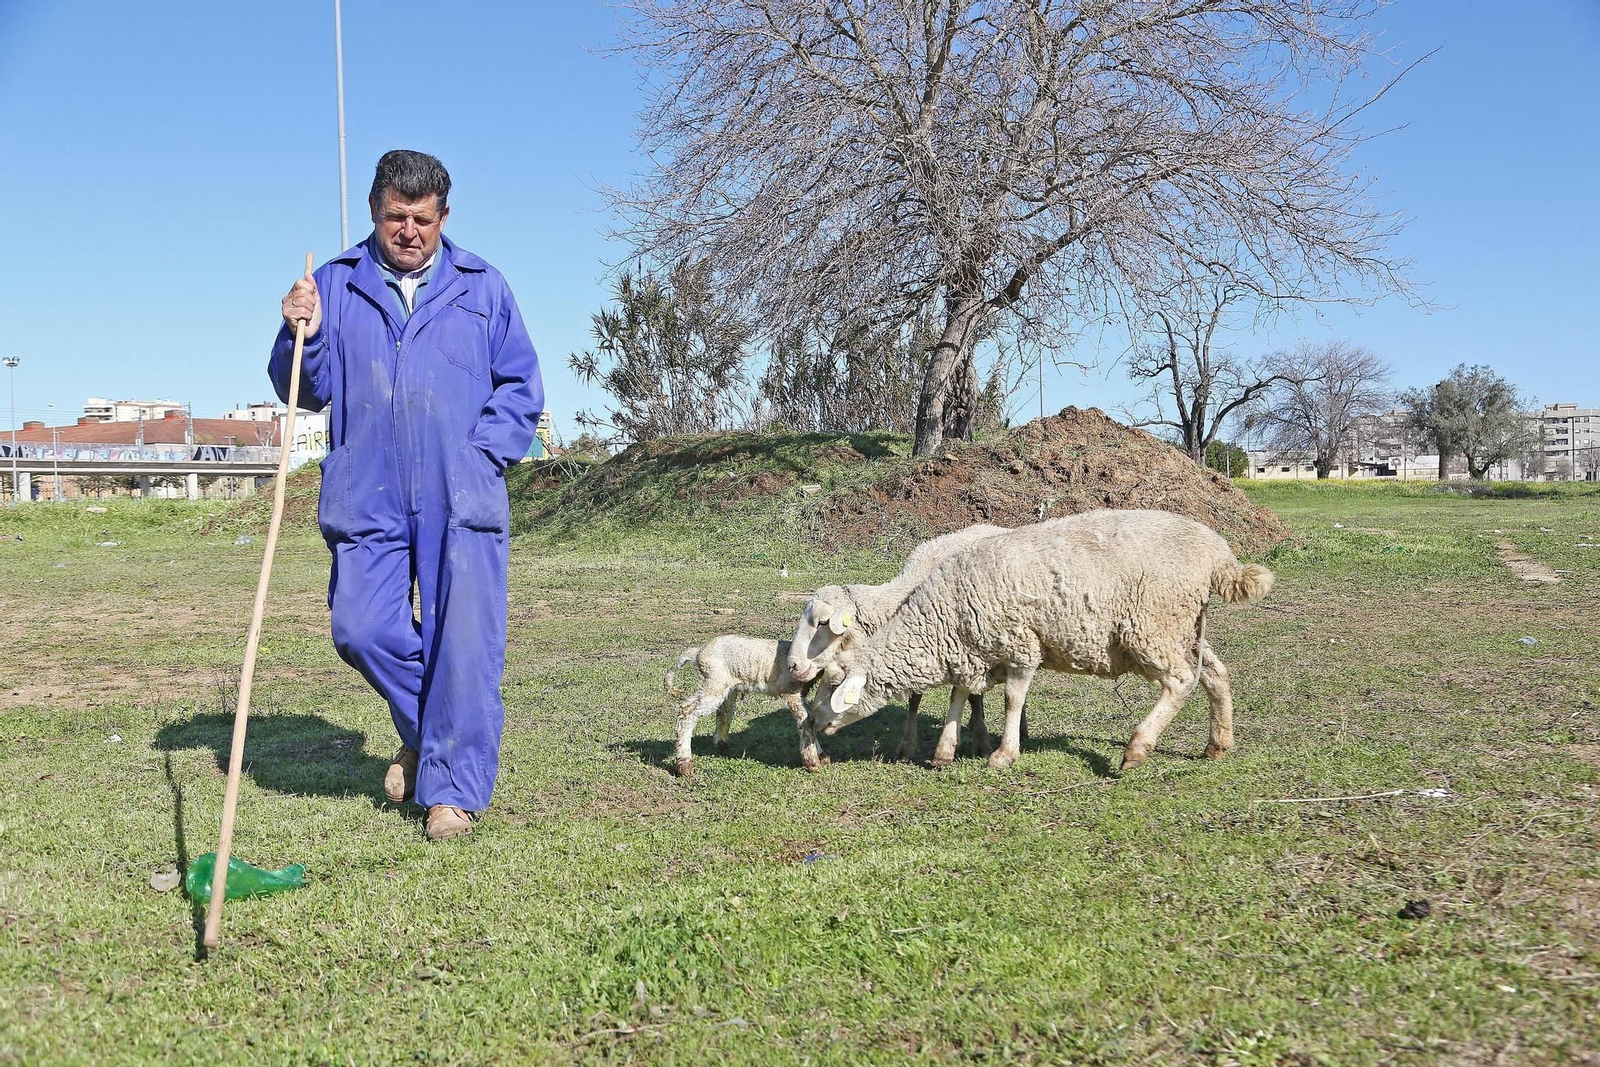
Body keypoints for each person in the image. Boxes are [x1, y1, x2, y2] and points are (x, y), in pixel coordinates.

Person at [270, 150, 543, 841]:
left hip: (462, 488)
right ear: (374, 211)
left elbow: (521, 387)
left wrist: (484, 454)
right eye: (397, 216)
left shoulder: (483, 287)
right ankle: (438, 738)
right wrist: (293, 328)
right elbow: (306, 388)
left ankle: (451, 790)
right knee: (359, 627)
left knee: (465, 641)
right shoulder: (333, 283)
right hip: (368, 489)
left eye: (423, 218)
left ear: (443, 218)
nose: (410, 230)